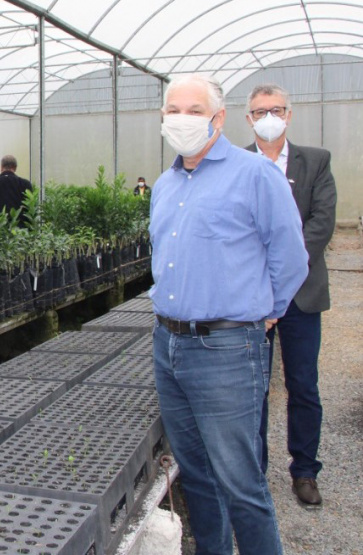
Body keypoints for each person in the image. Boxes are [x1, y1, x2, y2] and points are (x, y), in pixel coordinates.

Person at [150, 74, 308, 555]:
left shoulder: (255, 175)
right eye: (173, 110)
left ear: (218, 118)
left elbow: (292, 258)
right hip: (168, 344)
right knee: (196, 473)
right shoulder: (164, 184)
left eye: (195, 111)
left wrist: (264, 313)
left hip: (225, 347)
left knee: (240, 481)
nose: (182, 119)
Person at [245, 83, 337, 508]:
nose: (269, 117)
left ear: (289, 114)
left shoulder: (315, 161)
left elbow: (321, 221)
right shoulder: (237, 163)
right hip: (252, 297)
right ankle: (255, 469)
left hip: (301, 294)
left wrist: (285, 268)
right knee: (253, 386)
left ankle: (304, 470)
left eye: (276, 109)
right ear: (248, 118)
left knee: (303, 385)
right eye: (261, 111)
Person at [0, 154, 33, 224]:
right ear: (15, 168)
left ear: (1, 167)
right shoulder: (25, 184)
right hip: (20, 231)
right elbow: (30, 210)